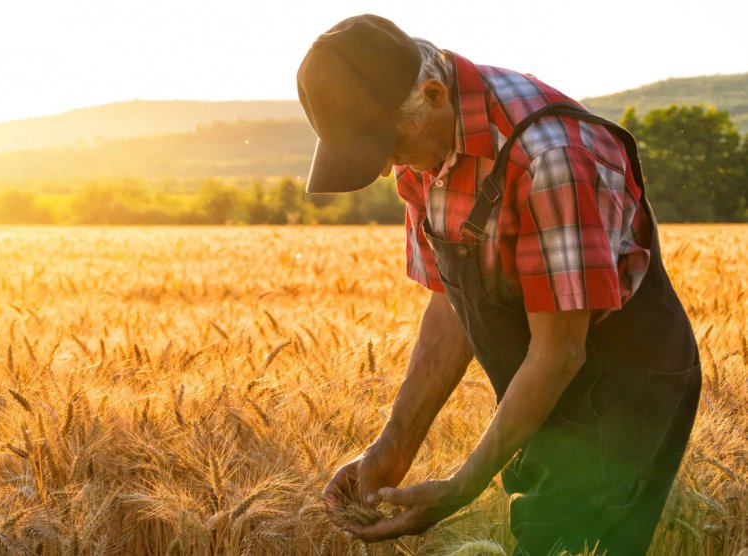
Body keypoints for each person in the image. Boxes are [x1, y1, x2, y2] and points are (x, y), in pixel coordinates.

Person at [296, 14, 702, 556]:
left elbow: (560, 352)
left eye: (387, 144)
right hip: (539, 379)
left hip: (621, 387)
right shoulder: (426, 145)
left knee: (557, 544)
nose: (389, 164)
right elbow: (451, 306)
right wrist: (392, 448)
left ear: (434, 94)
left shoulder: (552, 158)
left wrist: (462, 488)